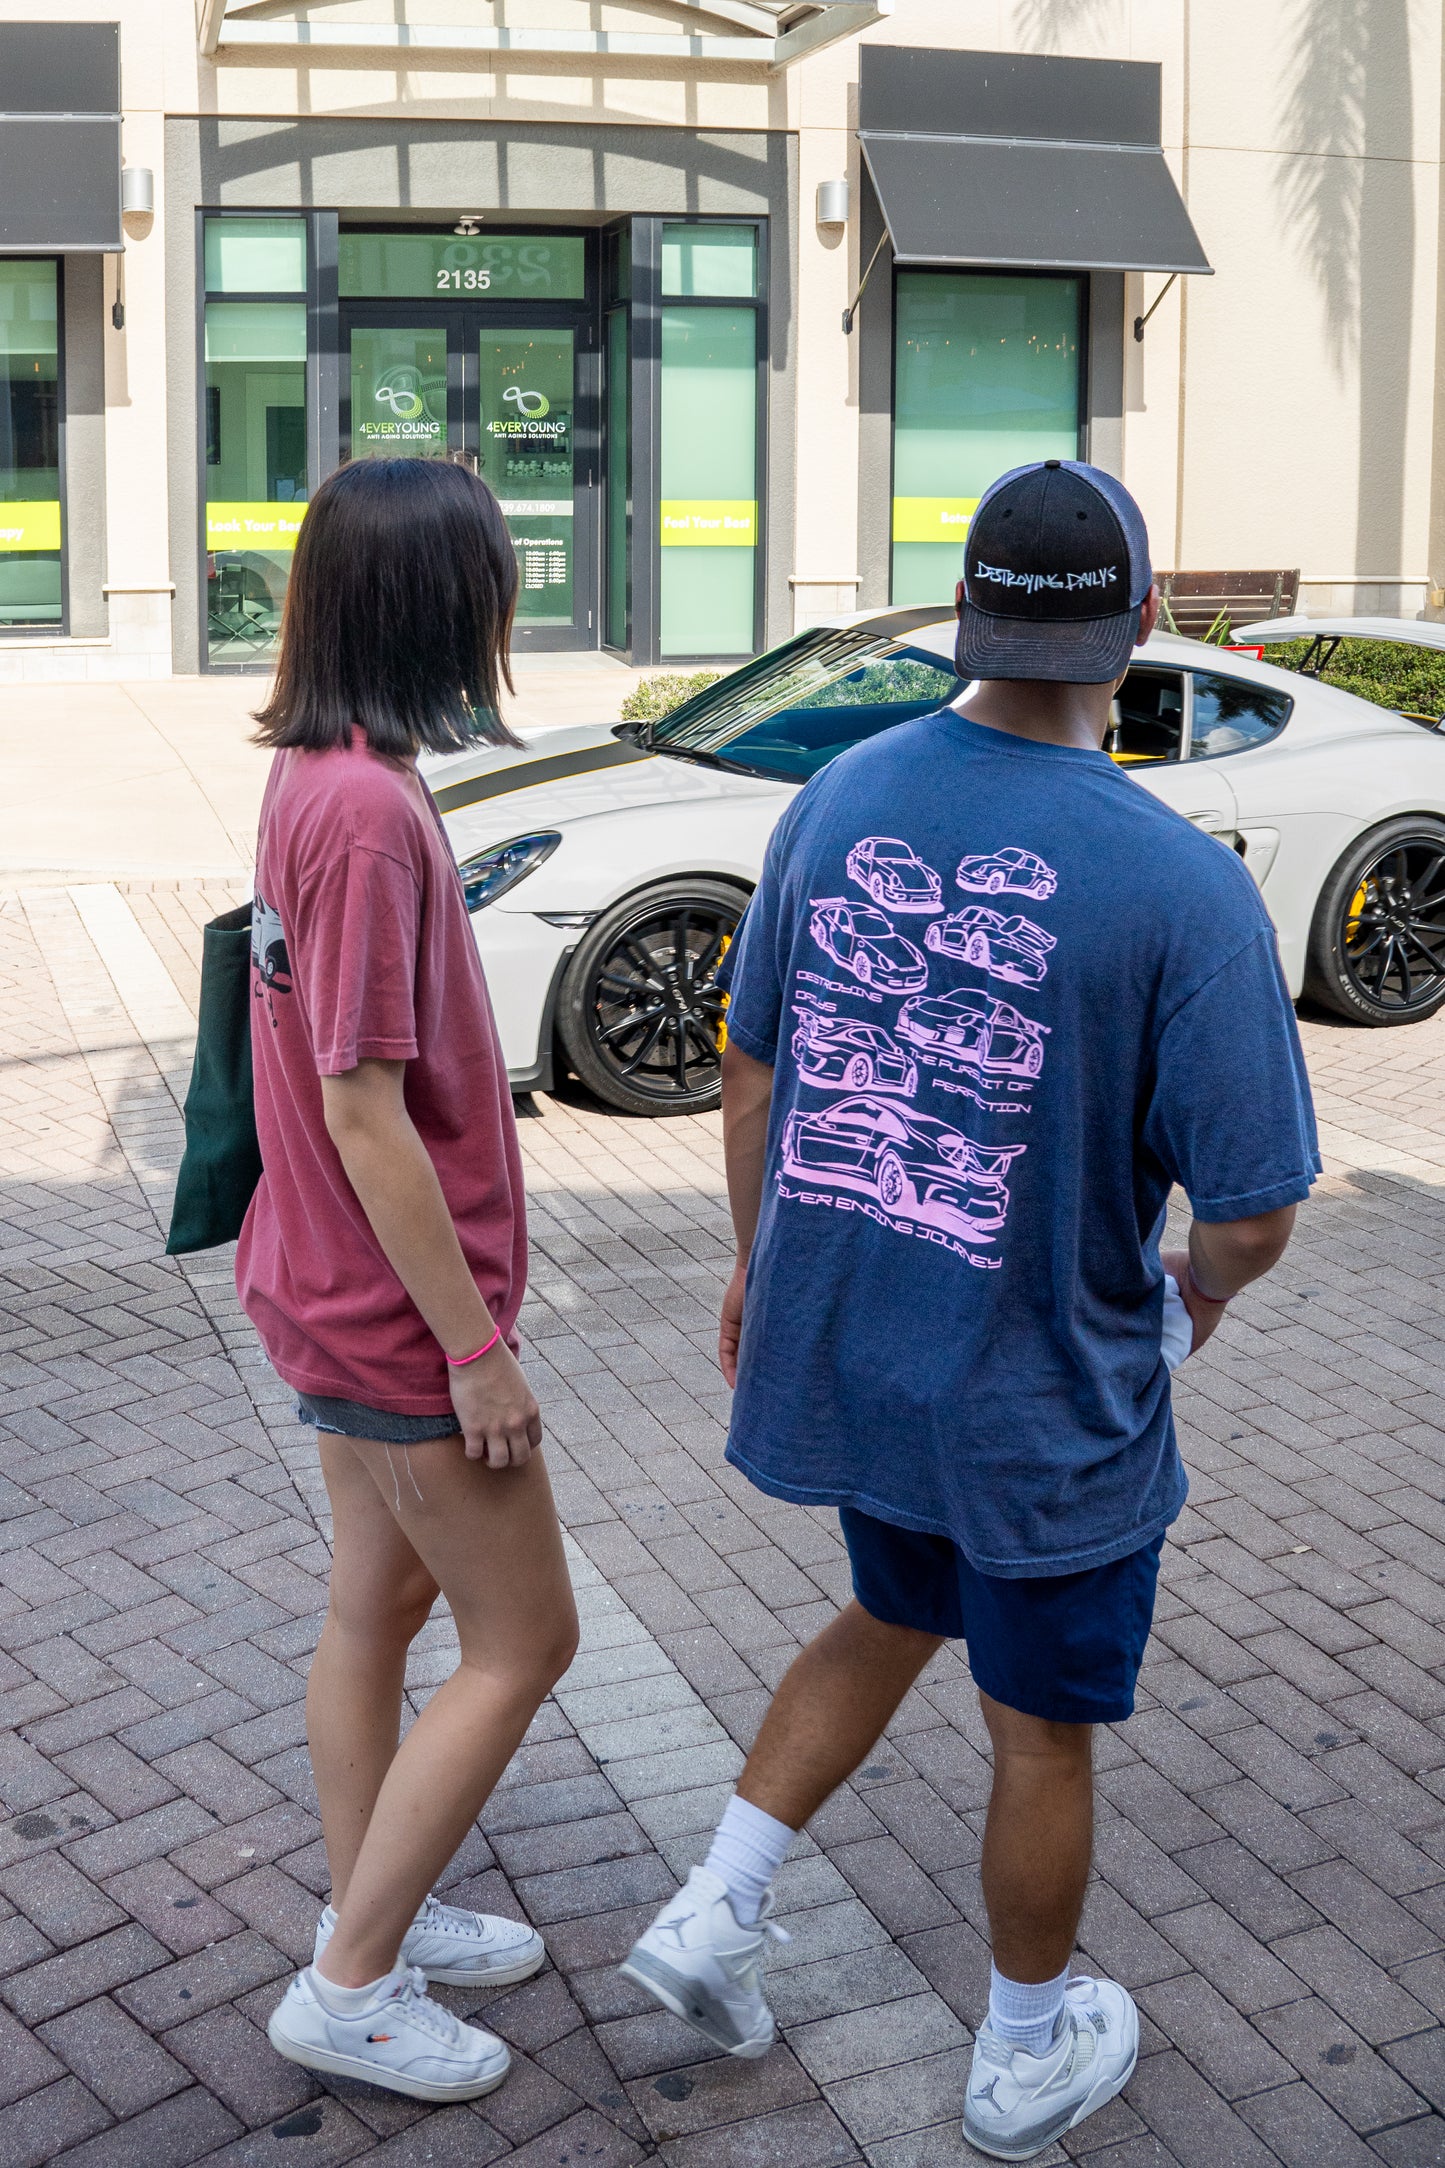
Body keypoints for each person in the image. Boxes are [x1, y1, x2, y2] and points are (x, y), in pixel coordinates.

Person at [622, 459, 1319, 2159]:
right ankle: (1022, 2053)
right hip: (1040, 1404)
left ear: (961, 619)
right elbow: (1253, 1209)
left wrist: (755, 1265)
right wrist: (1192, 1299)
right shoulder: (1179, 886)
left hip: (865, 1351)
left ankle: (716, 1905)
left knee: (888, 1609)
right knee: (1041, 1734)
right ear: (1142, 627)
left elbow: (752, 1074)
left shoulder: (837, 798)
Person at [237, 459, 578, 2104]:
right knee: (528, 1640)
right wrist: (474, 1349)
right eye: (494, 582)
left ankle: (381, 1898)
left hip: (316, 1283)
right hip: (391, 1317)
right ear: (444, 607)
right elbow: (361, 1106)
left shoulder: (318, 773)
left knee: (373, 1608)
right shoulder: (368, 814)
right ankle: (353, 1980)